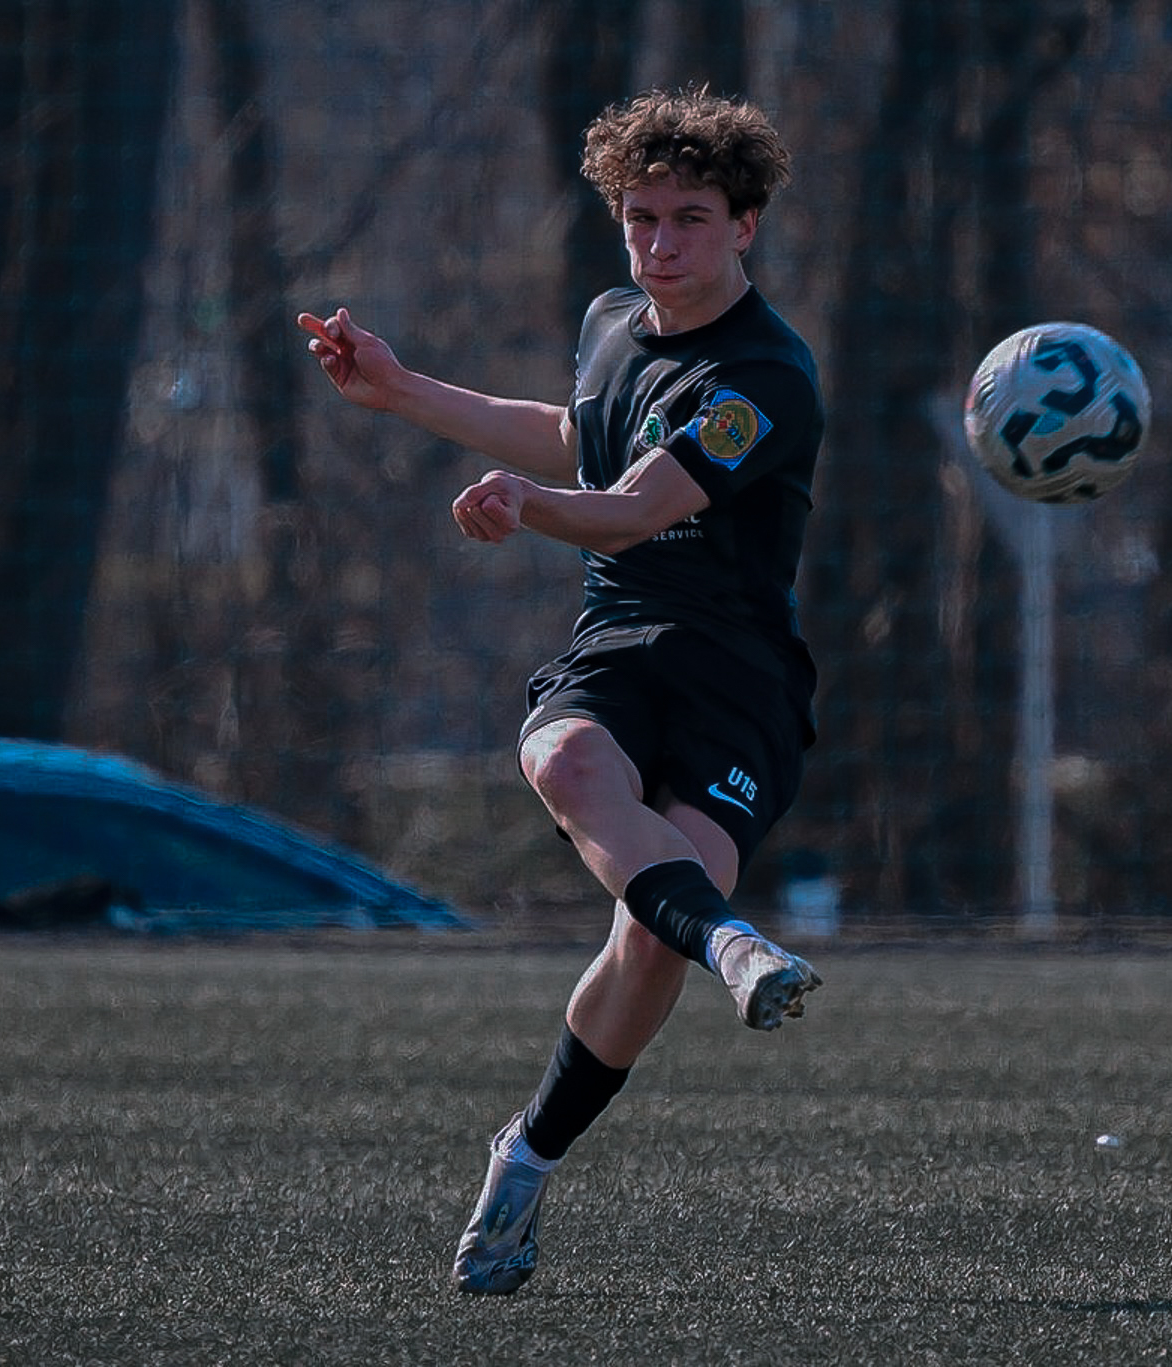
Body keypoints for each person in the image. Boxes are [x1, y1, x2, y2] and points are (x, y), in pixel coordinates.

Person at [297, 86, 826, 1296]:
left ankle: (525, 1155)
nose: (659, 245)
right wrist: (400, 388)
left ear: (745, 225)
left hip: (735, 676)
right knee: (563, 759)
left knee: (646, 939)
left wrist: (528, 508)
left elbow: (636, 506)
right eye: (639, 219)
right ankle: (735, 949)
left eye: (689, 219)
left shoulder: (766, 377)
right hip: (619, 636)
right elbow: (575, 434)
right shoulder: (610, 321)